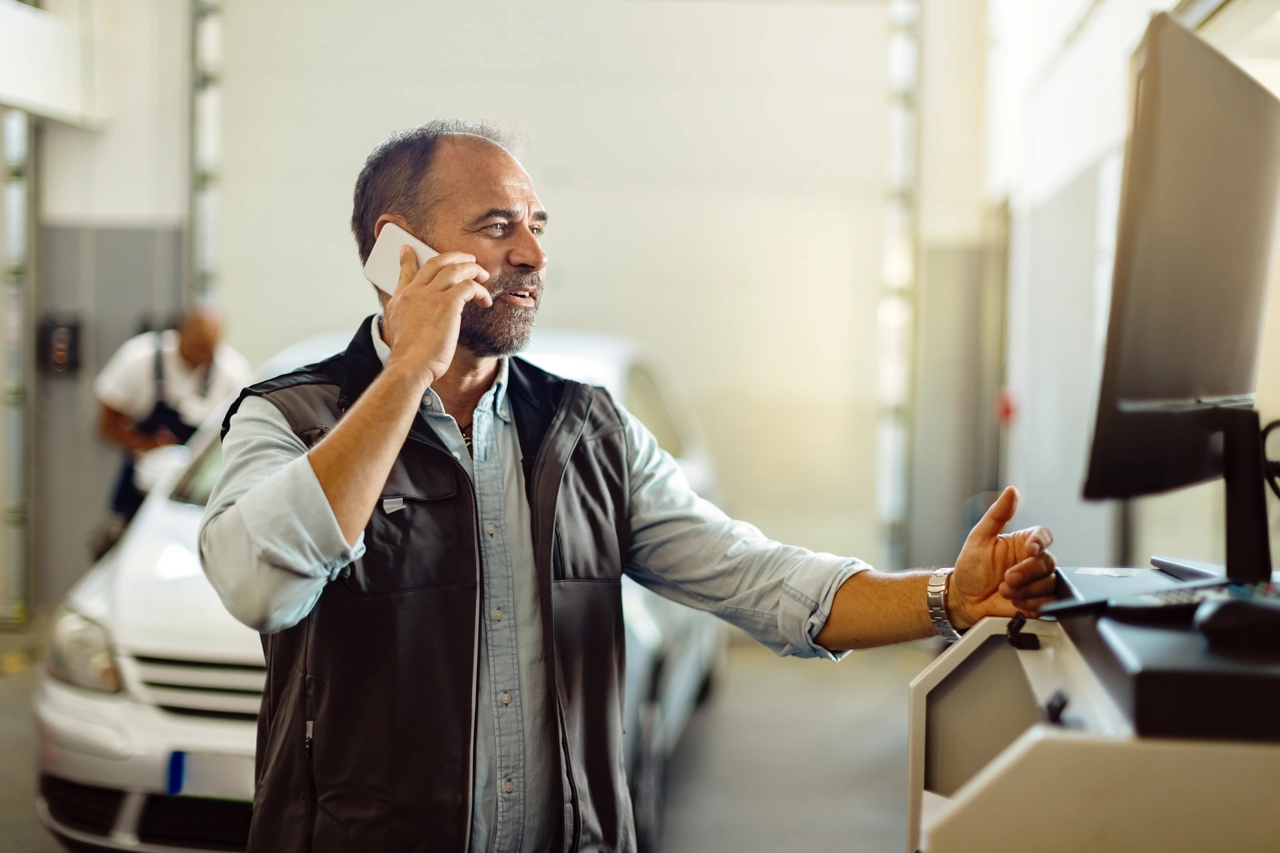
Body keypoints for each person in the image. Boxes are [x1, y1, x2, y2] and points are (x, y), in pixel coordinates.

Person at [199, 121, 1058, 853]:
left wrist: (947, 595)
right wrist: (411, 368)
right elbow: (260, 584)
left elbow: (754, 576)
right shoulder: (290, 418)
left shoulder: (586, 432)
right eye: (498, 226)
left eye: (536, 224)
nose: (533, 254)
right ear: (399, 250)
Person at [93, 308, 250, 554]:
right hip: (140, 482)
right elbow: (105, 425)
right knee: (120, 548)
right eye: (196, 346)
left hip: (195, 492)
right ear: (179, 333)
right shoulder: (139, 359)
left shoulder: (234, 373)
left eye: (209, 349)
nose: (202, 357)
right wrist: (148, 447)